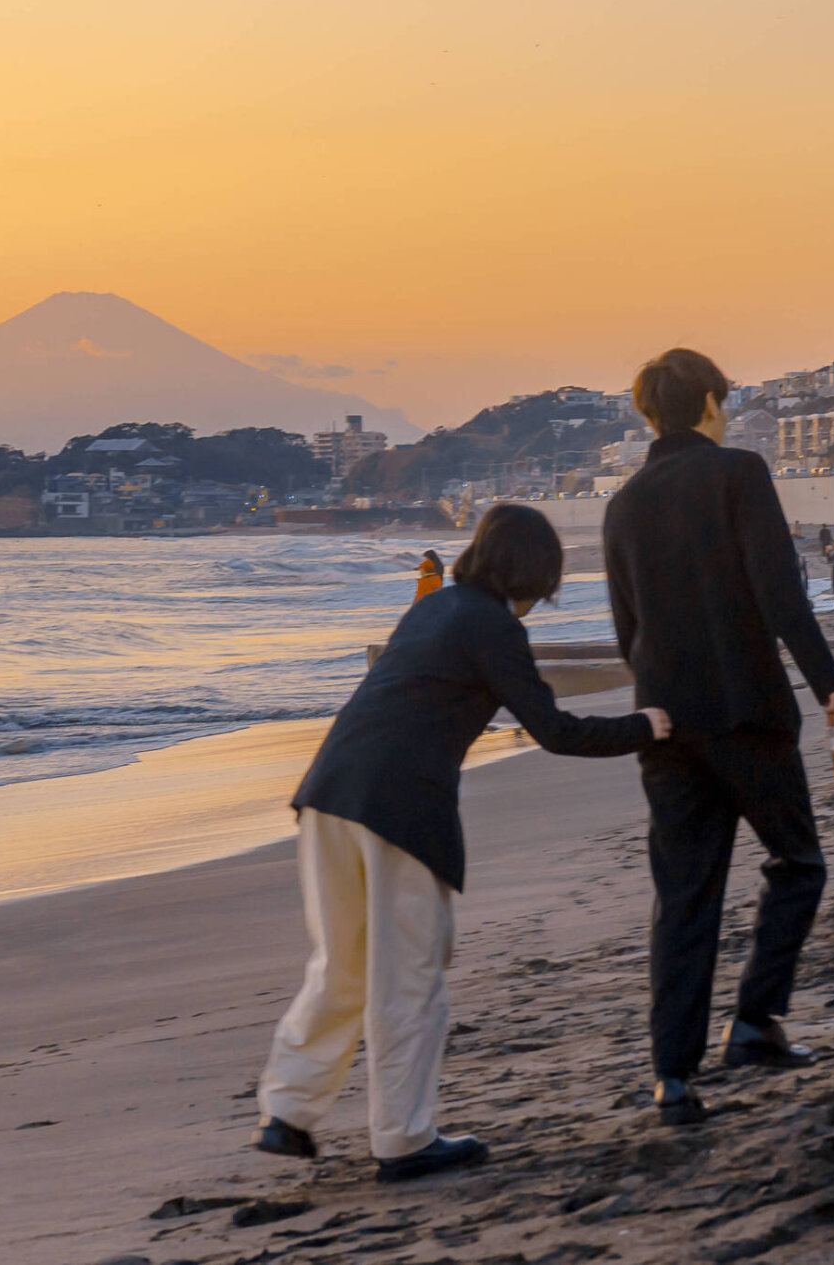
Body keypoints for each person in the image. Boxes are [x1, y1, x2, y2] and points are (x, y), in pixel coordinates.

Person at [253, 504, 671, 1180]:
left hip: (329, 791)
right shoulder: (494, 626)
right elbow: (555, 732)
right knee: (410, 977)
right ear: (532, 574)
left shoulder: (434, 608)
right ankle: (404, 1139)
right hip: (402, 807)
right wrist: (643, 727)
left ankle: (288, 1110)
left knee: (342, 965)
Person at [603, 348, 834, 1129]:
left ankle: (672, 1079)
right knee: (799, 863)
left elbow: (627, 631)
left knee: (684, 899)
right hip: (747, 718)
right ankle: (753, 1021)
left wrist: (658, 697)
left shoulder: (623, 505)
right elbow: (780, 593)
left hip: (664, 726)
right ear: (713, 403)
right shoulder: (738, 473)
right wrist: (830, 685)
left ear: (650, 415)